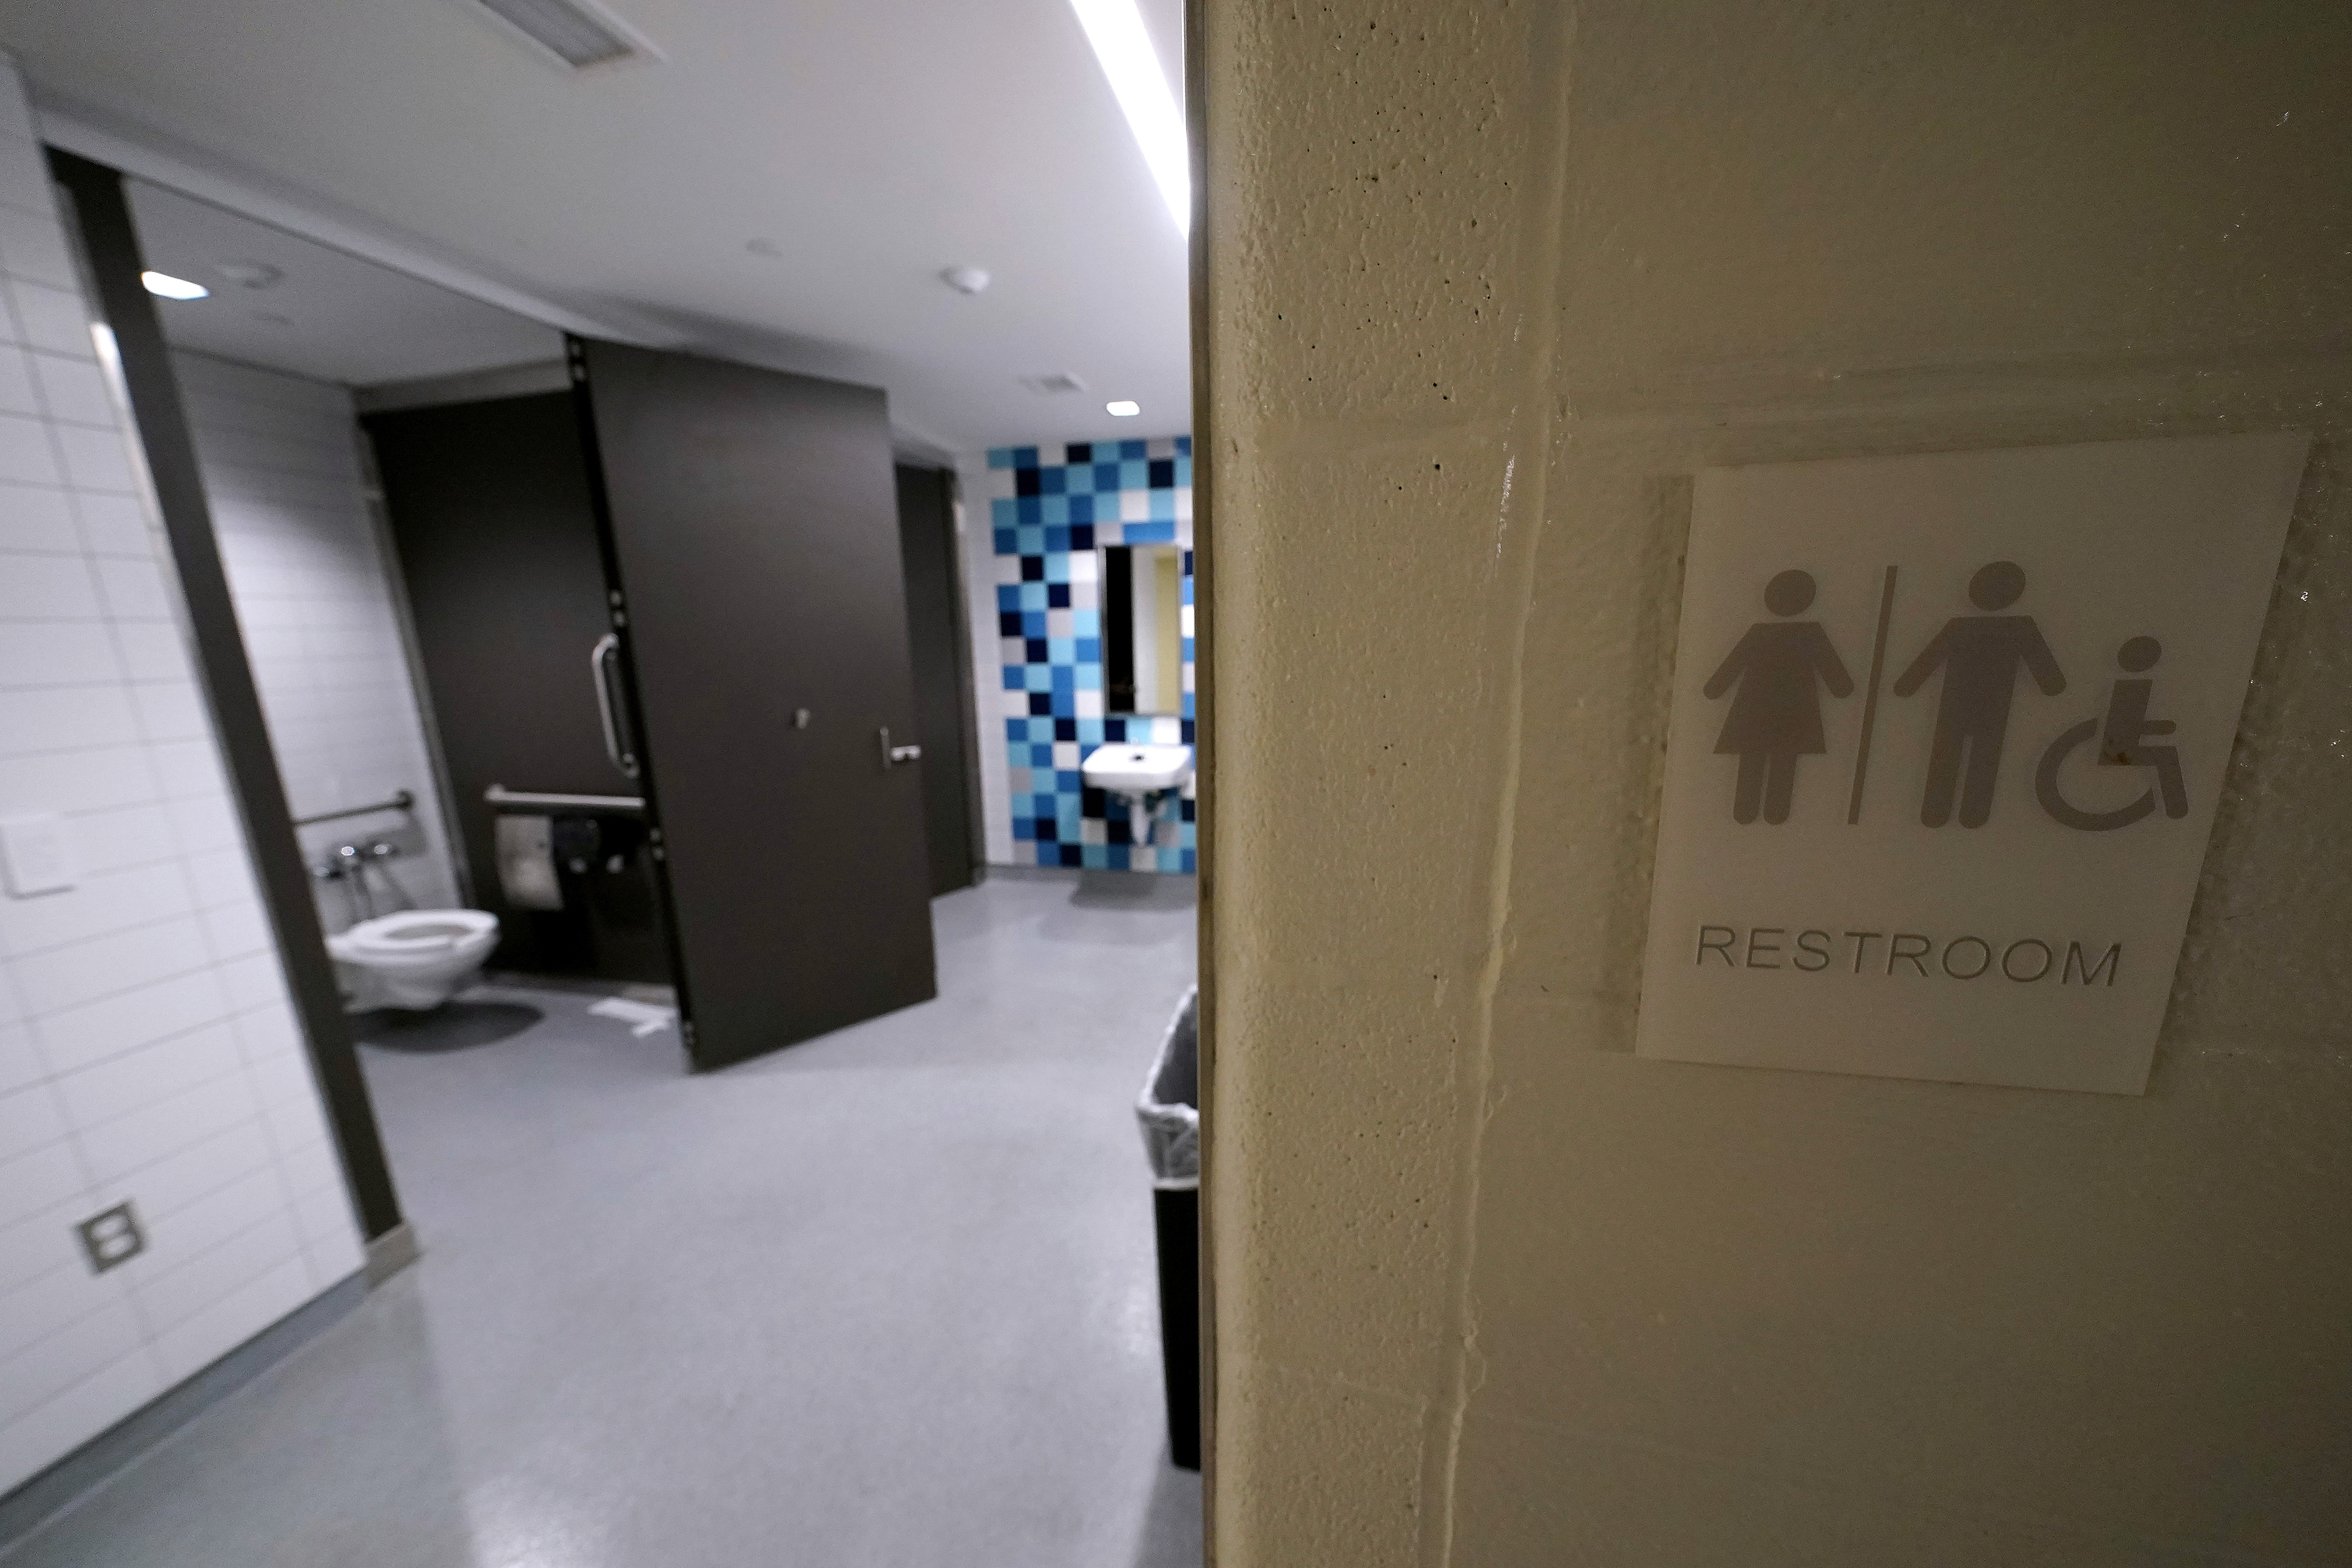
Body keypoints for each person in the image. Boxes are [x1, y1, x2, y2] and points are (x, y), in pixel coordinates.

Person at [1891, 560, 2065, 827]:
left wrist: (1907, 685)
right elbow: (2051, 681)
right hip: (1980, 707)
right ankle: (1955, 814)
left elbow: (2051, 681)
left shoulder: (1981, 628)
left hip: (1968, 706)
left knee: (1967, 758)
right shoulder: (2000, 628)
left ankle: (1958, 814)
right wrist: (1906, 685)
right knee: (1969, 757)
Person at [1703, 569, 1853, 824]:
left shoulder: (1771, 634)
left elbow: (1723, 676)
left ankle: (1762, 812)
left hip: (1759, 713)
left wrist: (1716, 688)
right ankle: (1764, 812)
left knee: (1768, 759)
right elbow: (1839, 683)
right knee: (1777, 760)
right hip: (1788, 715)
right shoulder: (1805, 635)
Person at [2033, 635, 2187, 830]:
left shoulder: (2130, 683)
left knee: (2152, 757)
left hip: (2120, 736)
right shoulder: (2125, 682)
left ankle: (2175, 805)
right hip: (2118, 736)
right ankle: (2175, 805)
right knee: (2153, 757)